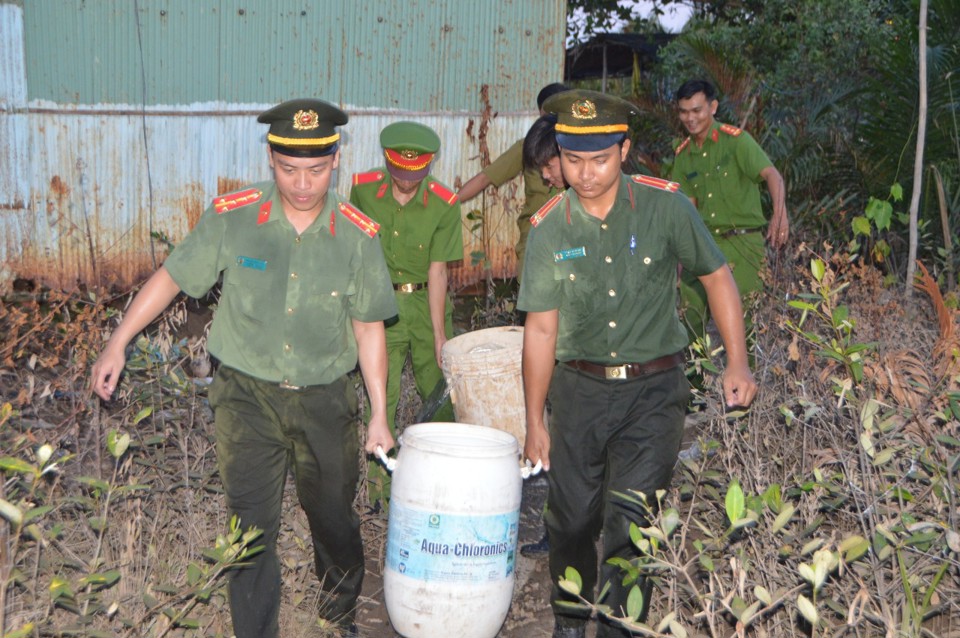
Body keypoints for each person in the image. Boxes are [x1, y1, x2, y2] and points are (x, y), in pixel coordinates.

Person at [90, 98, 397, 638]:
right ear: (270, 160)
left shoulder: (357, 234)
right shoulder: (234, 217)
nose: (302, 184)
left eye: (316, 170)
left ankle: (337, 615)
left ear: (337, 161)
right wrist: (119, 341)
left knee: (333, 520)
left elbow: (369, 327)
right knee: (249, 528)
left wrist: (379, 414)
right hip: (246, 398)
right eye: (289, 169)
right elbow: (172, 276)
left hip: (325, 398)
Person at [519, 90, 757, 638]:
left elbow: (717, 277)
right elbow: (541, 328)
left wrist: (737, 363)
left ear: (623, 150)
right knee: (572, 518)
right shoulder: (550, 226)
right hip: (578, 389)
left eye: (599, 159)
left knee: (631, 520)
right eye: (573, 160)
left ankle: (620, 630)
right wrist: (535, 420)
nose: (585, 173)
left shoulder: (665, 205)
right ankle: (572, 617)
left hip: (654, 392)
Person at [349, 121, 463, 507]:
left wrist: (438, 335)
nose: (406, 182)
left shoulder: (445, 202)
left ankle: (444, 479)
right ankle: (381, 488)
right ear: (387, 162)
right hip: (382, 305)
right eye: (399, 173)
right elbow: (358, 253)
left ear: (428, 167)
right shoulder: (364, 190)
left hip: (425, 303)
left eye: (414, 175)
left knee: (440, 390)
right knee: (385, 393)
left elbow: (438, 270)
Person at [670, 78, 789, 341]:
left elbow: (772, 175)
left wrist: (780, 215)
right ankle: (695, 381)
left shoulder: (737, 141)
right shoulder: (683, 155)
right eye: (684, 111)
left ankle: (748, 379)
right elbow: (685, 211)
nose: (690, 118)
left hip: (742, 243)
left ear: (713, 107)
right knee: (690, 317)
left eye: (697, 110)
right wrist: (678, 261)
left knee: (745, 320)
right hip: (703, 245)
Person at [517, 112, 566, 558]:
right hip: (567, 354)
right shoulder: (551, 220)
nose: (548, 178)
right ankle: (560, 531)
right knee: (566, 444)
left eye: (549, 167)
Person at [457, 82, 570, 272]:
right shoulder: (529, 148)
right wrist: (450, 201)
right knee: (533, 298)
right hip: (535, 242)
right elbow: (486, 177)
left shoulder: (583, 153)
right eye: (546, 117)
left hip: (571, 245)